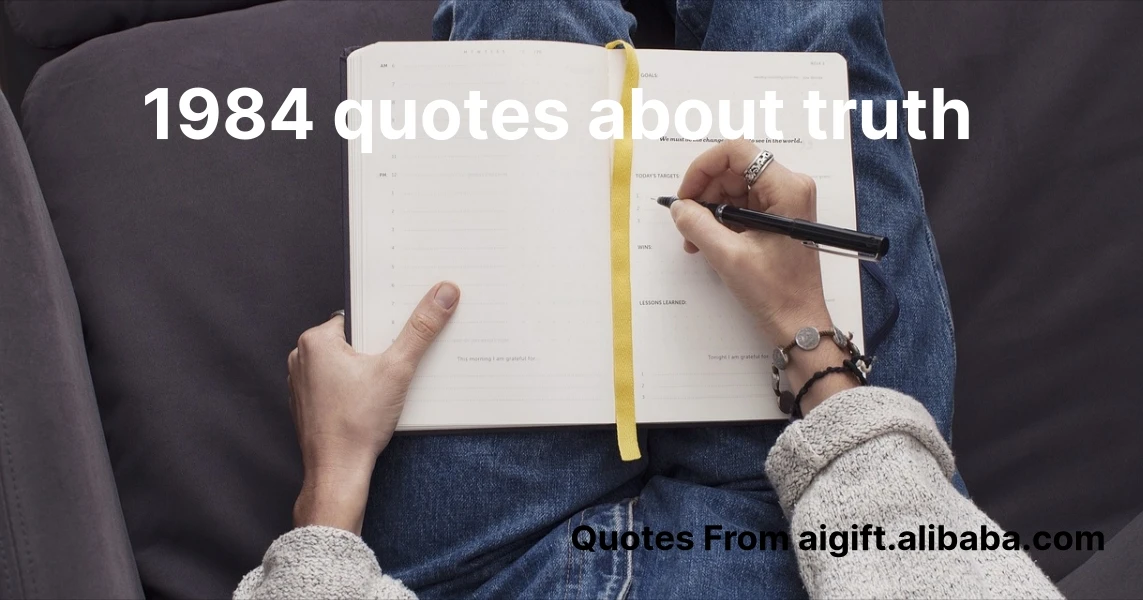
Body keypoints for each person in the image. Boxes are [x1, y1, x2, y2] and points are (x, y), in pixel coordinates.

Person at [246, 1, 982, 597]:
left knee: (527, 19)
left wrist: (330, 491)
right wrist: (809, 339)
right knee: (811, 28)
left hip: (488, 572)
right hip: (808, 545)